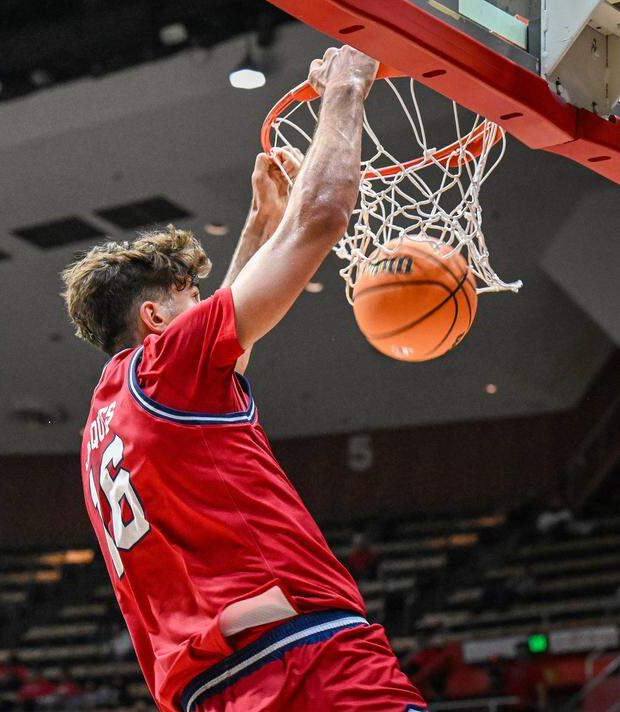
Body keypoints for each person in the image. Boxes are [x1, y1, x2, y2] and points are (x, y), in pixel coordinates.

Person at [61, 47, 426, 711]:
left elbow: (221, 352)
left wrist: (258, 225)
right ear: (154, 318)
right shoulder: (168, 363)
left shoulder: (107, 418)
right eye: (187, 295)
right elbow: (322, 215)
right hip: (305, 660)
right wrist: (345, 95)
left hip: (216, 688)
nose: (202, 308)